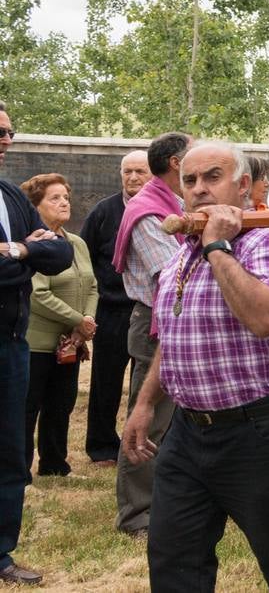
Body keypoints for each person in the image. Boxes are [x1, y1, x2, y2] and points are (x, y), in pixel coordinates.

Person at [121, 141, 269, 589]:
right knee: (173, 556)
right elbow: (173, 338)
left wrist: (217, 247)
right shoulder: (180, 256)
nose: (199, 190)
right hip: (188, 435)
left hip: (260, 433)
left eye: (213, 177)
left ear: (244, 186)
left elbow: (264, 317)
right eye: (190, 181)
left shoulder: (268, 242)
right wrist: (145, 403)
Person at [0, 102, 75, 587]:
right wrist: (26, 258)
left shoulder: (9, 194)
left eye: (8, 131)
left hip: (11, 346)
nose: (6, 139)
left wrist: (20, 250)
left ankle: (1, 554)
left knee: (9, 452)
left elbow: (60, 252)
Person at [112, 131, 189, 538]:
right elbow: (173, 272)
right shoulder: (147, 212)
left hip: (180, 318)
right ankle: (137, 514)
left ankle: (169, 503)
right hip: (157, 324)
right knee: (149, 419)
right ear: (177, 162)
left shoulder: (173, 203)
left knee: (178, 421)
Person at [21, 174, 97, 480]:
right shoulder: (32, 244)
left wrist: (85, 324)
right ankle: (18, 470)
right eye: (54, 198)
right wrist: (78, 320)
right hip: (36, 342)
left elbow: (92, 286)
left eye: (65, 197)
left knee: (61, 404)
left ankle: (54, 465)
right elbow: (38, 294)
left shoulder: (76, 243)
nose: (64, 202)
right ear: (36, 206)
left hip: (71, 343)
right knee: (27, 408)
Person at [81, 150, 150, 466]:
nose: (133, 177)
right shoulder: (104, 212)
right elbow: (85, 258)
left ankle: (139, 444)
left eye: (140, 171)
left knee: (144, 383)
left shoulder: (157, 211)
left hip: (147, 309)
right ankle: (101, 446)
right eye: (128, 171)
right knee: (105, 382)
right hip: (111, 310)